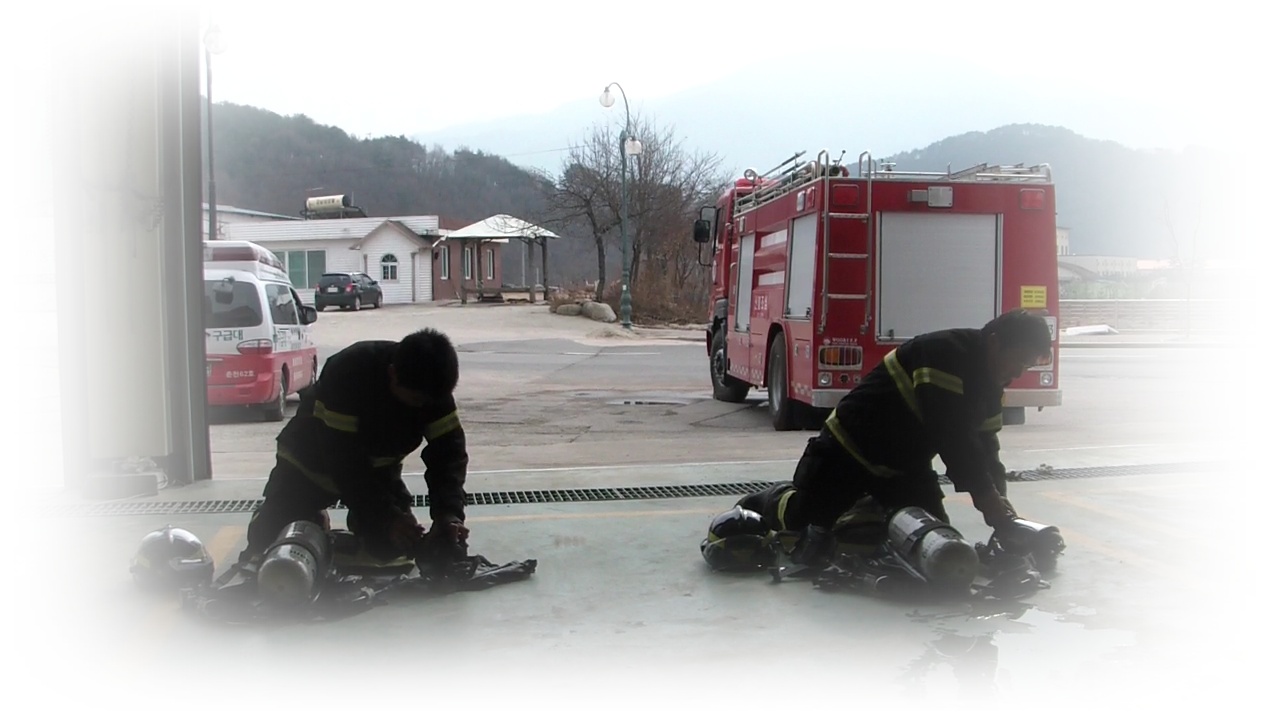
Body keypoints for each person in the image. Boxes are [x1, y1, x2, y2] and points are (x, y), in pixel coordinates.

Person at [733, 309, 1054, 560]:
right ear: (995, 342)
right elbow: (953, 436)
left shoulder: (991, 386)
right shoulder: (945, 354)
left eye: (1027, 365)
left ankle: (868, 507)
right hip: (846, 454)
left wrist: (1003, 510)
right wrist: (987, 500)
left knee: (933, 540)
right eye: (1019, 360)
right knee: (805, 522)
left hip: (903, 469)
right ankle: (774, 499)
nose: (1019, 372)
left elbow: (987, 450)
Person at [233, 326, 470, 574]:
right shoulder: (349, 372)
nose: (422, 408)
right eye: (415, 400)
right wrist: (387, 516)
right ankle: (301, 514)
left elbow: (449, 455)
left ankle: (344, 526)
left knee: (394, 549)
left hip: (375, 473)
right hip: (309, 466)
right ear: (392, 374)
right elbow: (344, 461)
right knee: (268, 544)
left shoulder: (433, 389)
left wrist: (448, 515)